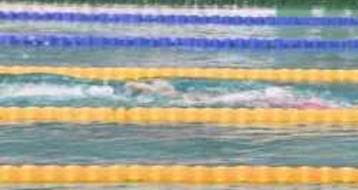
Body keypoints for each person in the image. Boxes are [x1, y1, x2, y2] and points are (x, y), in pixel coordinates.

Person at [124, 80, 336, 109]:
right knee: (192, 101)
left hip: (249, 96)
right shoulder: (304, 105)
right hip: (245, 98)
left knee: (195, 100)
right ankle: (148, 88)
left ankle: (150, 88)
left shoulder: (302, 102)